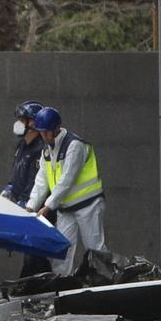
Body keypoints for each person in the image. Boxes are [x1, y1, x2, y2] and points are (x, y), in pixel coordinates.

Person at [26, 107, 108, 276]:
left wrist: (48, 206)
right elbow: (41, 181)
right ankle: (60, 286)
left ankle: (106, 280)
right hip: (66, 207)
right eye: (42, 133)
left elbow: (67, 180)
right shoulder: (47, 150)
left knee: (95, 248)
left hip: (88, 204)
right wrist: (31, 206)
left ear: (56, 128)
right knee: (62, 250)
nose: (44, 136)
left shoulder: (74, 145)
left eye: (47, 132)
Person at [1, 101, 50, 278]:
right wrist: (9, 188)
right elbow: (18, 174)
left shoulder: (41, 149)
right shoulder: (22, 146)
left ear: (33, 123)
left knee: (35, 251)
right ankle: (31, 284)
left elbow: (38, 181)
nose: (18, 123)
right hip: (24, 203)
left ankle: (36, 285)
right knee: (30, 252)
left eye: (23, 119)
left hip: (37, 207)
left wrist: (25, 204)